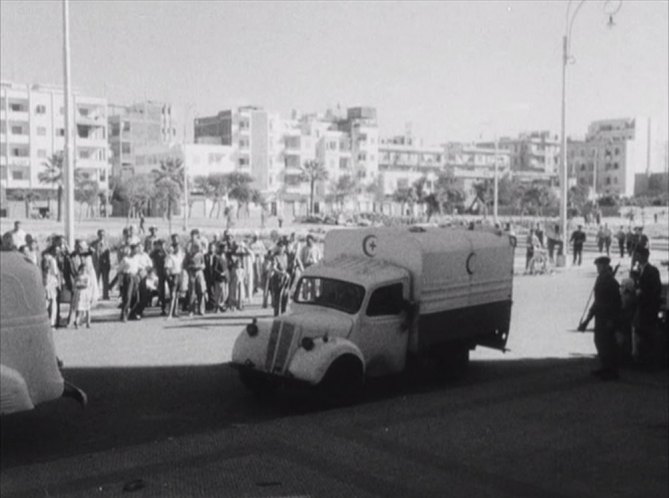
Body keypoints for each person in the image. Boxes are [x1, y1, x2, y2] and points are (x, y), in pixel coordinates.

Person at [578, 256, 621, 380]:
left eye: (599, 266)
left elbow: (616, 303)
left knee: (609, 344)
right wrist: (587, 319)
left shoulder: (611, 282)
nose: (598, 268)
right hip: (600, 317)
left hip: (608, 318)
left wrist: (612, 320)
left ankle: (612, 371)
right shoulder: (600, 279)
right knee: (599, 342)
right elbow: (597, 301)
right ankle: (605, 367)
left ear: (606, 266)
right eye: (597, 266)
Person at [632, 247, 662, 368]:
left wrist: (640, 292)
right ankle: (644, 359)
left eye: (637, 255)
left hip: (649, 308)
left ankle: (649, 362)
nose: (635, 258)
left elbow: (654, 290)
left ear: (643, 256)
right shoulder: (641, 270)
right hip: (643, 307)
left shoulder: (652, 271)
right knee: (643, 334)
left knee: (648, 334)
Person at [42, 240, 63, 327]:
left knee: (47, 302)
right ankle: (52, 322)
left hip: (46, 281)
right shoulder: (51, 259)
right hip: (51, 282)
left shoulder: (45, 257)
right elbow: (55, 272)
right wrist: (59, 283)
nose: (57, 252)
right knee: (52, 303)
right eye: (56, 251)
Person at [90, 229, 111, 300]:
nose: (102, 236)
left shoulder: (107, 243)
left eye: (103, 235)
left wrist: (109, 264)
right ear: (98, 235)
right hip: (97, 264)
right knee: (96, 280)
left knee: (105, 280)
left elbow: (108, 254)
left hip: (105, 265)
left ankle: (105, 295)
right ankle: (96, 295)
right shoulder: (93, 243)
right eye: (100, 235)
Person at [150, 239, 168, 315]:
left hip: (168, 273)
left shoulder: (167, 252)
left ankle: (172, 309)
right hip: (160, 273)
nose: (161, 246)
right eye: (160, 245)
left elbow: (169, 257)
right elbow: (150, 256)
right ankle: (163, 308)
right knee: (161, 291)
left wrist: (164, 250)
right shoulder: (155, 253)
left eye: (162, 245)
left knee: (171, 289)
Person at [71, 262, 92, 328]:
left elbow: (87, 285)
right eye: (82, 269)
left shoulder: (87, 277)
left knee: (87, 308)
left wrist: (80, 285)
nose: (83, 271)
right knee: (79, 308)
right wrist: (79, 285)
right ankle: (77, 321)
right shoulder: (78, 277)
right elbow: (75, 285)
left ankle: (88, 322)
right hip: (79, 294)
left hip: (85, 293)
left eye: (85, 269)